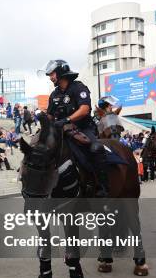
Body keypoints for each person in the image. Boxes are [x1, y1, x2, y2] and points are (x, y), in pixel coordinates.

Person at [44, 59, 109, 197]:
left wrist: (66, 120)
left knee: (96, 148)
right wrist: (44, 121)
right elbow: (49, 116)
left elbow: (85, 109)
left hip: (83, 129)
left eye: (52, 74)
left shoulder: (78, 88)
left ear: (61, 72)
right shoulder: (54, 95)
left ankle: (102, 187)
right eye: (49, 75)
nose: (50, 77)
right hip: (62, 131)